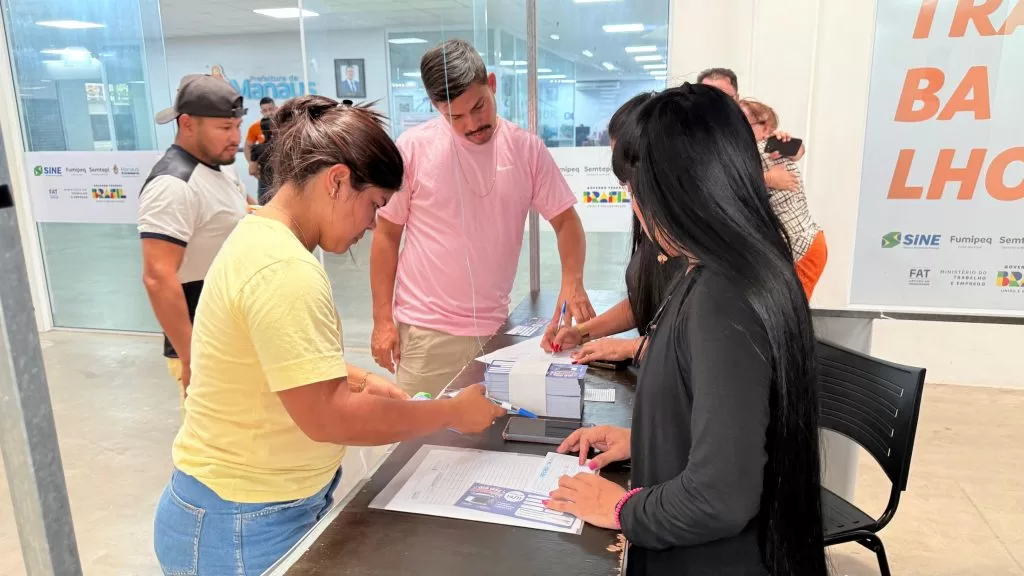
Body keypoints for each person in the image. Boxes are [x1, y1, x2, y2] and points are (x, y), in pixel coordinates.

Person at [152, 95, 505, 576]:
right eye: (374, 204)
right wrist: (451, 413)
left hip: (247, 510)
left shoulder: (261, 236)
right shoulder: (284, 268)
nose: (373, 224)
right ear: (337, 181)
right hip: (240, 523)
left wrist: (357, 379)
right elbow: (330, 418)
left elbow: (274, 359)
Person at [543, 84, 826, 576]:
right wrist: (647, 441)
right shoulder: (716, 271)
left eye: (635, 191)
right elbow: (732, 424)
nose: (635, 207)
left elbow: (720, 498)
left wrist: (620, 509)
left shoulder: (724, 296)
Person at [370, 39, 593, 396]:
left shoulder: (526, 150)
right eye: (455, 117)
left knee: (489, 429)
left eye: (479, 107)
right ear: (436, 107)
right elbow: (386, 235)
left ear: (492, 84)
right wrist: (382, 320)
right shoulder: (413, 149)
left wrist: (572, 281)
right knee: (423, 427)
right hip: (426, 335)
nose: (472, 124)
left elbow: (566, 222)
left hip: (495, 332)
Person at [541, 92, 685, 365]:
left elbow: (699, 344)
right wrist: (581, 333)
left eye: (627, 170)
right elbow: (645, 303)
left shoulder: (691, 239)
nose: (624, 183)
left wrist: (632, 348)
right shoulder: (653, 225)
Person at [139, 74, 255, 399]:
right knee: (212, 431)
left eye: (237, 126)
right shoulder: (172, 186)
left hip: (233, 330)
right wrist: (192, 357)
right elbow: (158, 277)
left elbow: (246, 208)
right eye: (225, 128)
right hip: (204, 345)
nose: (236, 138)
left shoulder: (221, 164)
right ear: (188, 123)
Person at [740, 98, 827, 299]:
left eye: (744, 123)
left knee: (792, 309)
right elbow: (799, 150)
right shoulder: (760, 149)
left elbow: (735, 182)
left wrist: (783, 142)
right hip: (802, 245)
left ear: (765, 128)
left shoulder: (762, 148)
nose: (737, 129)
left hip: (801, 247)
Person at [697, 67, 806, 192]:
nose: (717, 105)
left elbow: (799, 151)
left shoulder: (747, 118)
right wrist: (767, 179)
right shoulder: (692, 134)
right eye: (708, 98)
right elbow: (709, 183)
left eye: (724, 97)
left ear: (736, 98)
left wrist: (785, 143)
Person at [245, 96, 277, 199]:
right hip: (264, 176)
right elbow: (247, 146)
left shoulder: (285, 124)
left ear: (276, 108)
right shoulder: (255, 127)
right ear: (261, 112)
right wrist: (252, 164)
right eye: (265, 110)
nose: (268, 113)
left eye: (270, 109)